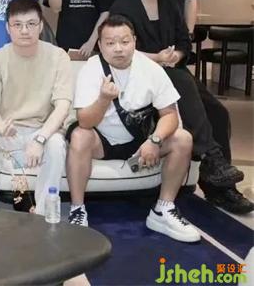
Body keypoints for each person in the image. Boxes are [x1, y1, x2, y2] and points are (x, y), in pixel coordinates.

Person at [115, 0, 249, 213]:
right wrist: (155, 58)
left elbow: (184, 41)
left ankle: (220, 185)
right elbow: (116, 49)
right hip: (141, 75)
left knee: (218, 112)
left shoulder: (168, 3)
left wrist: (177, 54)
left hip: (172, 70)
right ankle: (212, 157)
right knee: (179, 81)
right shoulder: (124, 6)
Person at [66, 15, 200, 242]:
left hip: (141, 141)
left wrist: (155, 140)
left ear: (135, 41)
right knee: (80, 136)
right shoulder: (91, 69)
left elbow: (170, 114)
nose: (118, 49)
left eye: (124, 41)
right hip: (102, 141)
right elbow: (85, 121)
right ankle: (77, 209)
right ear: (100, 45)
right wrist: (103, 99)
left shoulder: (151, 68)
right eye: (110, 43)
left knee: (183, 139)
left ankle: (163, 210)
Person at [0, 0, 72, 216]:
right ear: (8, 28)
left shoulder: (58, 57)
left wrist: (40, 139)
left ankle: (44, 212)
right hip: (9, 132)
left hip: (44, 130)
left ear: (41, 26)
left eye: (31, 24)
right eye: (17, 25)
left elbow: (62, 106)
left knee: (56, 145)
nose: (25, 31)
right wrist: (0, 126)